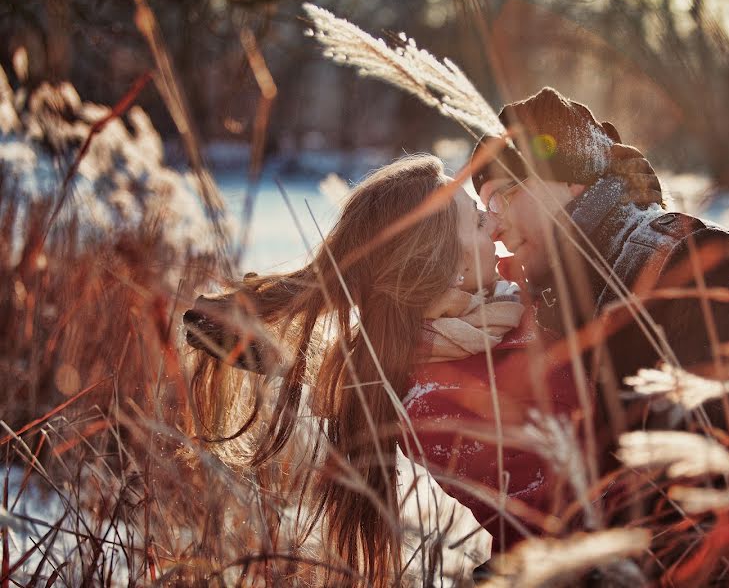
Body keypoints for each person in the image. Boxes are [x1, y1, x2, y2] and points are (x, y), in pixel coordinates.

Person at [183, 151, 654, 586]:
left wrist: (598, 189)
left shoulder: (509, 307)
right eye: (475, 221)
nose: (494, 224)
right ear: (444, 265)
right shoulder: (434, 403)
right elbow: (557, 516)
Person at [469, 87, 729, 579]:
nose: (493, 227)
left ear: (571, 184)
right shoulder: (559, 310)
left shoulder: (695, 269)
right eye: (484, 209)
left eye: (503, 198)